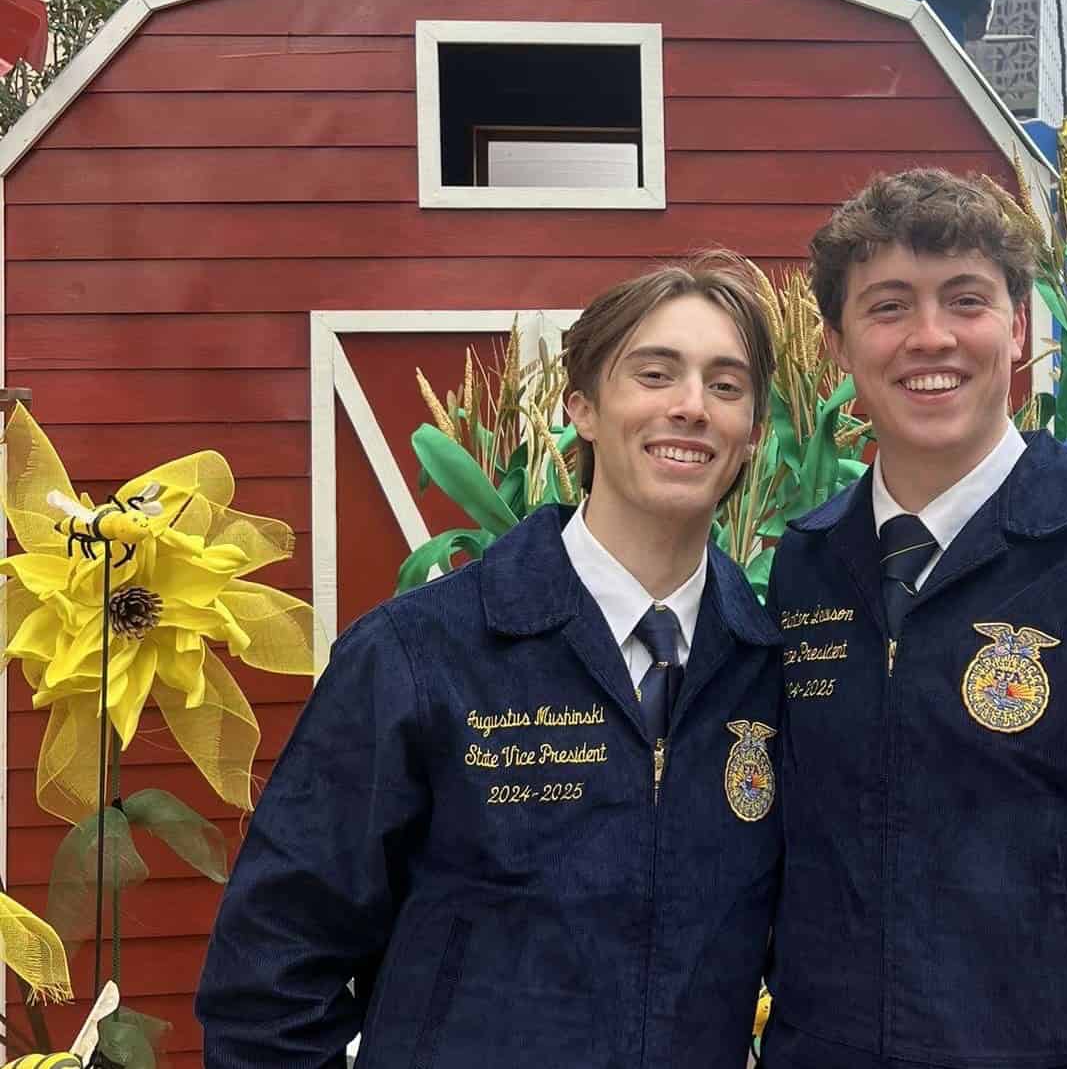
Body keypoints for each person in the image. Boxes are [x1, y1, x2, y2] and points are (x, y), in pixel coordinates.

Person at [197, 255, 784, 1068]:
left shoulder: (769, 673)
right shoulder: (419, 656)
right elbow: (268, 978)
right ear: (581, 405)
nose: (690, 406)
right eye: (654, 373)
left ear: (754, 430)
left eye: (727, 385)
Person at [760, 168, 1067, 1069]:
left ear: (1020, 327)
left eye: (967, 299)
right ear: (837, 344)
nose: (931, 336)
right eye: (888, 307)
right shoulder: (806, 571)